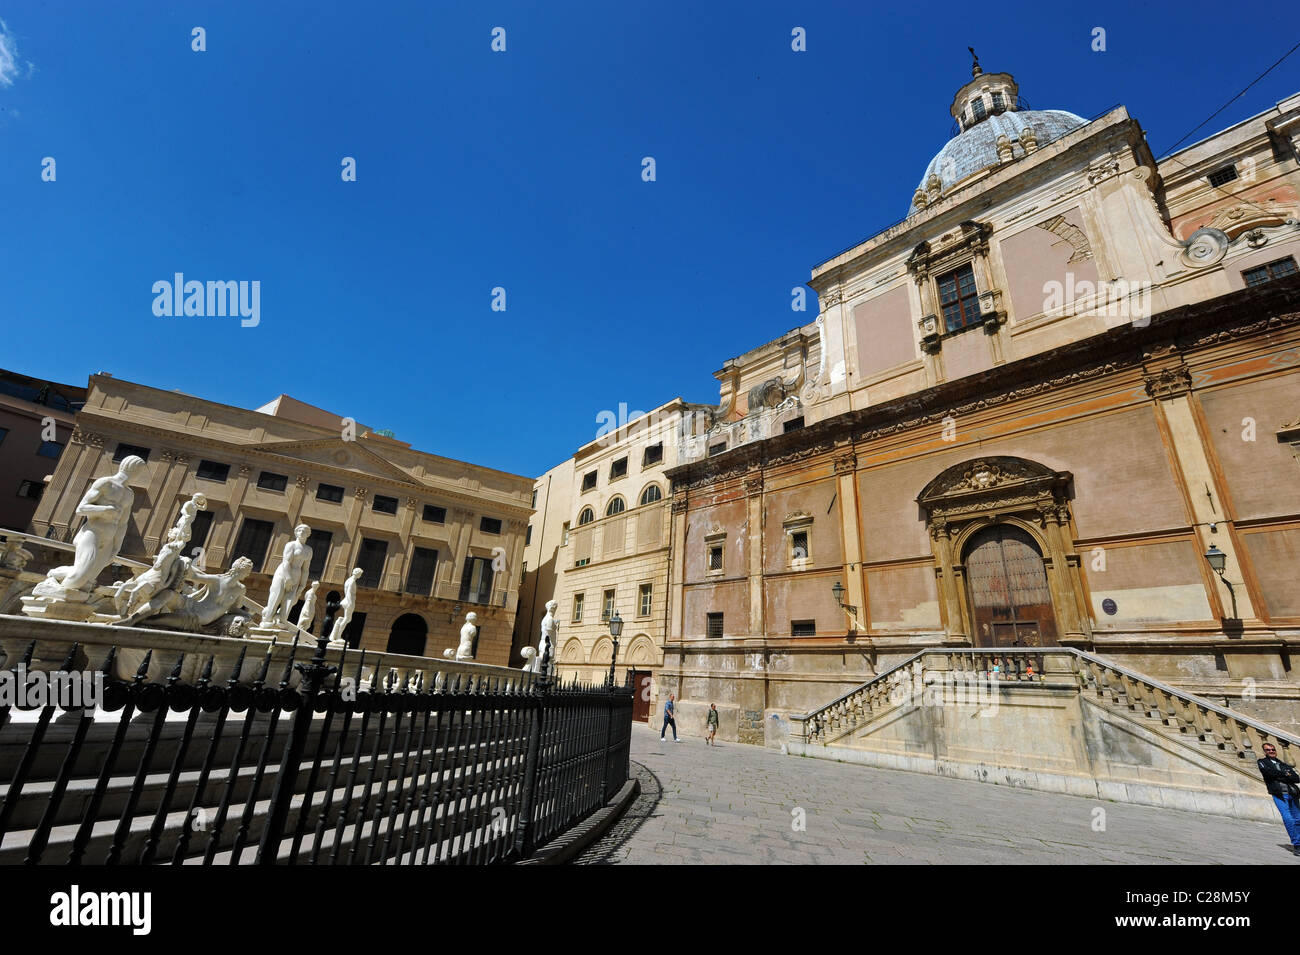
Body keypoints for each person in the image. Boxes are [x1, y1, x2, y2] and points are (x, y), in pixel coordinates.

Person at [1258, 742, 1300, 853]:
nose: (1271, 751)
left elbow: (1296, 778)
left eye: (1273, 749)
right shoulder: (1262, 762)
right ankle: (1297, 844)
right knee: (1288, 819)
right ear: (1265, 752)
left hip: (1293, 794)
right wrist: (1285, 775)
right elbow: (1269, 774)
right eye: (1268, 750)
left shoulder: (1283, 764)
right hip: (1280, 795)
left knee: (1298, 819)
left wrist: (1282, 775)